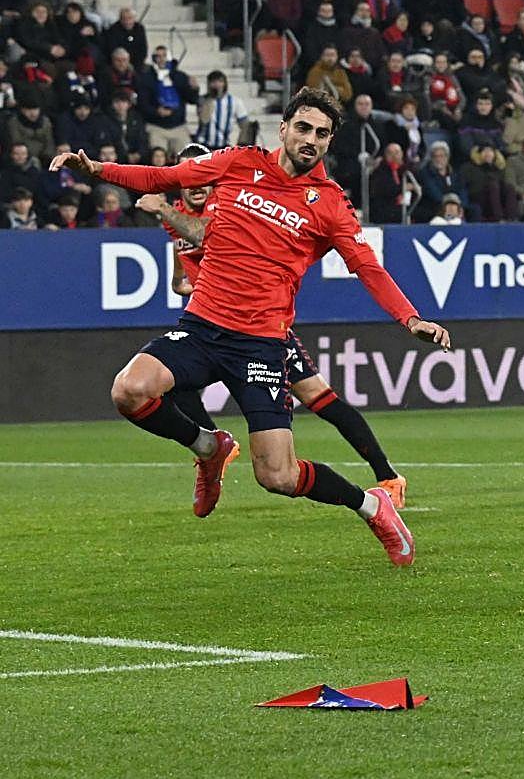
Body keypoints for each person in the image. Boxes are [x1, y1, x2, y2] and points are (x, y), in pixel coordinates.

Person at [47, 88, 446, 566]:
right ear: (283, 128)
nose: (310, 139)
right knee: (129, 390)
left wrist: (411, 318)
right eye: (303, 128)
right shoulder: (238, 162)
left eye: (321, 134)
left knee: (276, 476)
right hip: (202, 327)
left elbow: (367, 267)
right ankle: (208, 445)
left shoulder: (330, 204)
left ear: (329, 142)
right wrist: (96, 171)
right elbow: (163, 176)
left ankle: (370, 504)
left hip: (261, 344)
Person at [134, 143, 409, 507]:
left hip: (261, 330)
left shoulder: (228, 198)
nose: (196, 185)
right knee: (170, 384)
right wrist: (185, 283)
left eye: (199, 175)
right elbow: (181, 272)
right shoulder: (178, 225)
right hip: (211, 323)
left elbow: (206, 234)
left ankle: (387, 476)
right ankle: (210, 447)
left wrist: (164, 209)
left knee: (320, 400)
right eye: (187, 177)